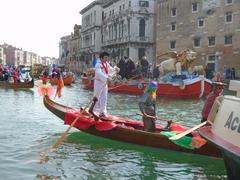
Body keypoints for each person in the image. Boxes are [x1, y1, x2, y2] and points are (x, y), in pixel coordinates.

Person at [93, 51, 120, 118]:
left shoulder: (106, 64)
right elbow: (99, 73)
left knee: (104, 97)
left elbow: (110, 70)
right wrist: (107, 77)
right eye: (105, 58)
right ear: (101, 58)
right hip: (98, 83)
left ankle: (102, 112)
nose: (107, 59)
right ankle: (93, 111)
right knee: (97, 97)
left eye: (107, 58)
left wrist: (115, 69)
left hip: (105, 83)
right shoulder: (98, 65)